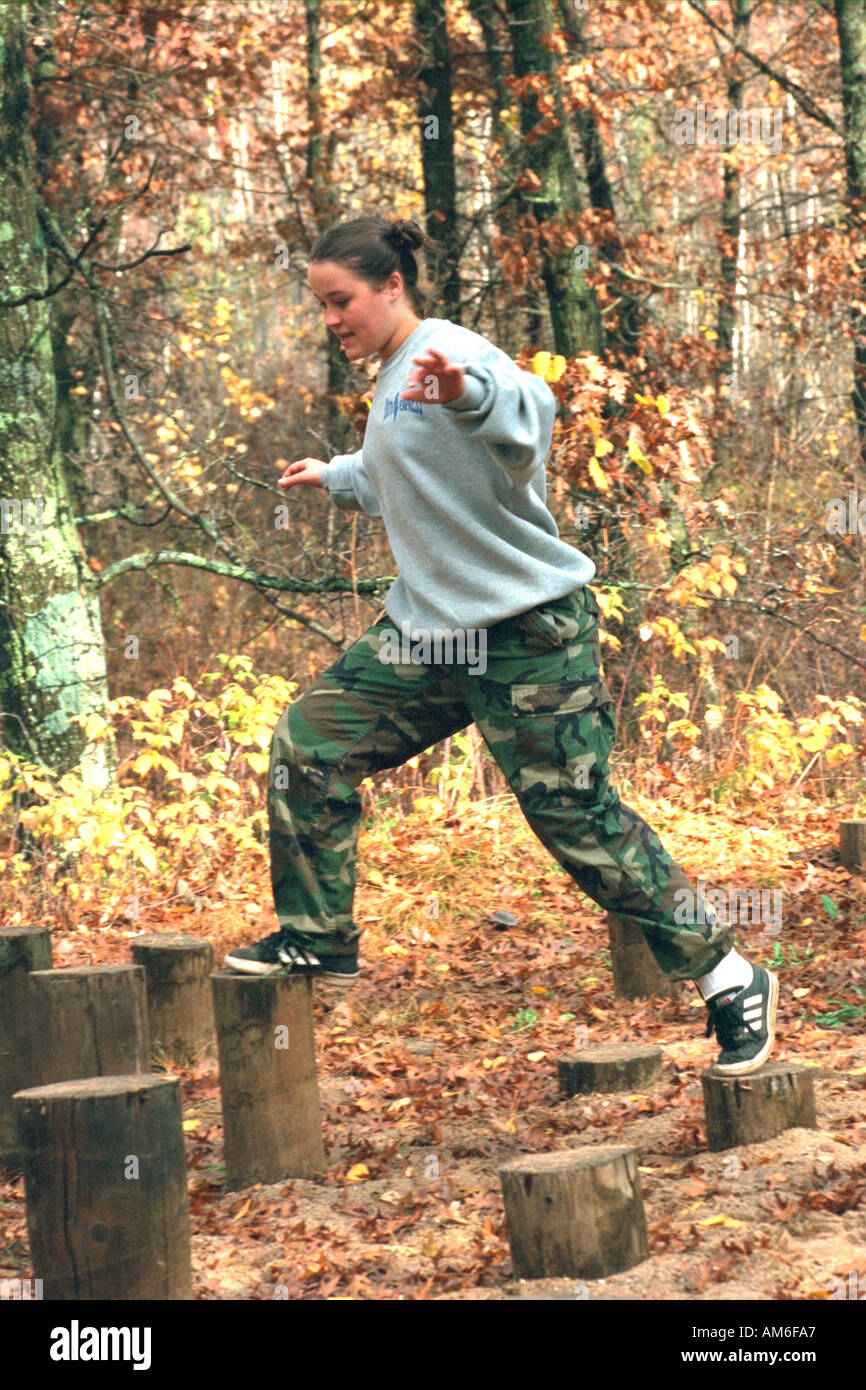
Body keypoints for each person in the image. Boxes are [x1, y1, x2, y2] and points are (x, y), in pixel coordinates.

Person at [225, 214, 779, 1078]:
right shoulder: (390, 377)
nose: (332, 319)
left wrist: (471, 395)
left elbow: (528, 413)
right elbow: (403, 474)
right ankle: (317, 937)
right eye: (322, 306)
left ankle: (731, 976)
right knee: (310, 742)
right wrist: (334, 475)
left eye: (343, 302)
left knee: (578, 822)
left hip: (527, 633)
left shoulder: (449, 352)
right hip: (433, 636)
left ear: (392, 288)